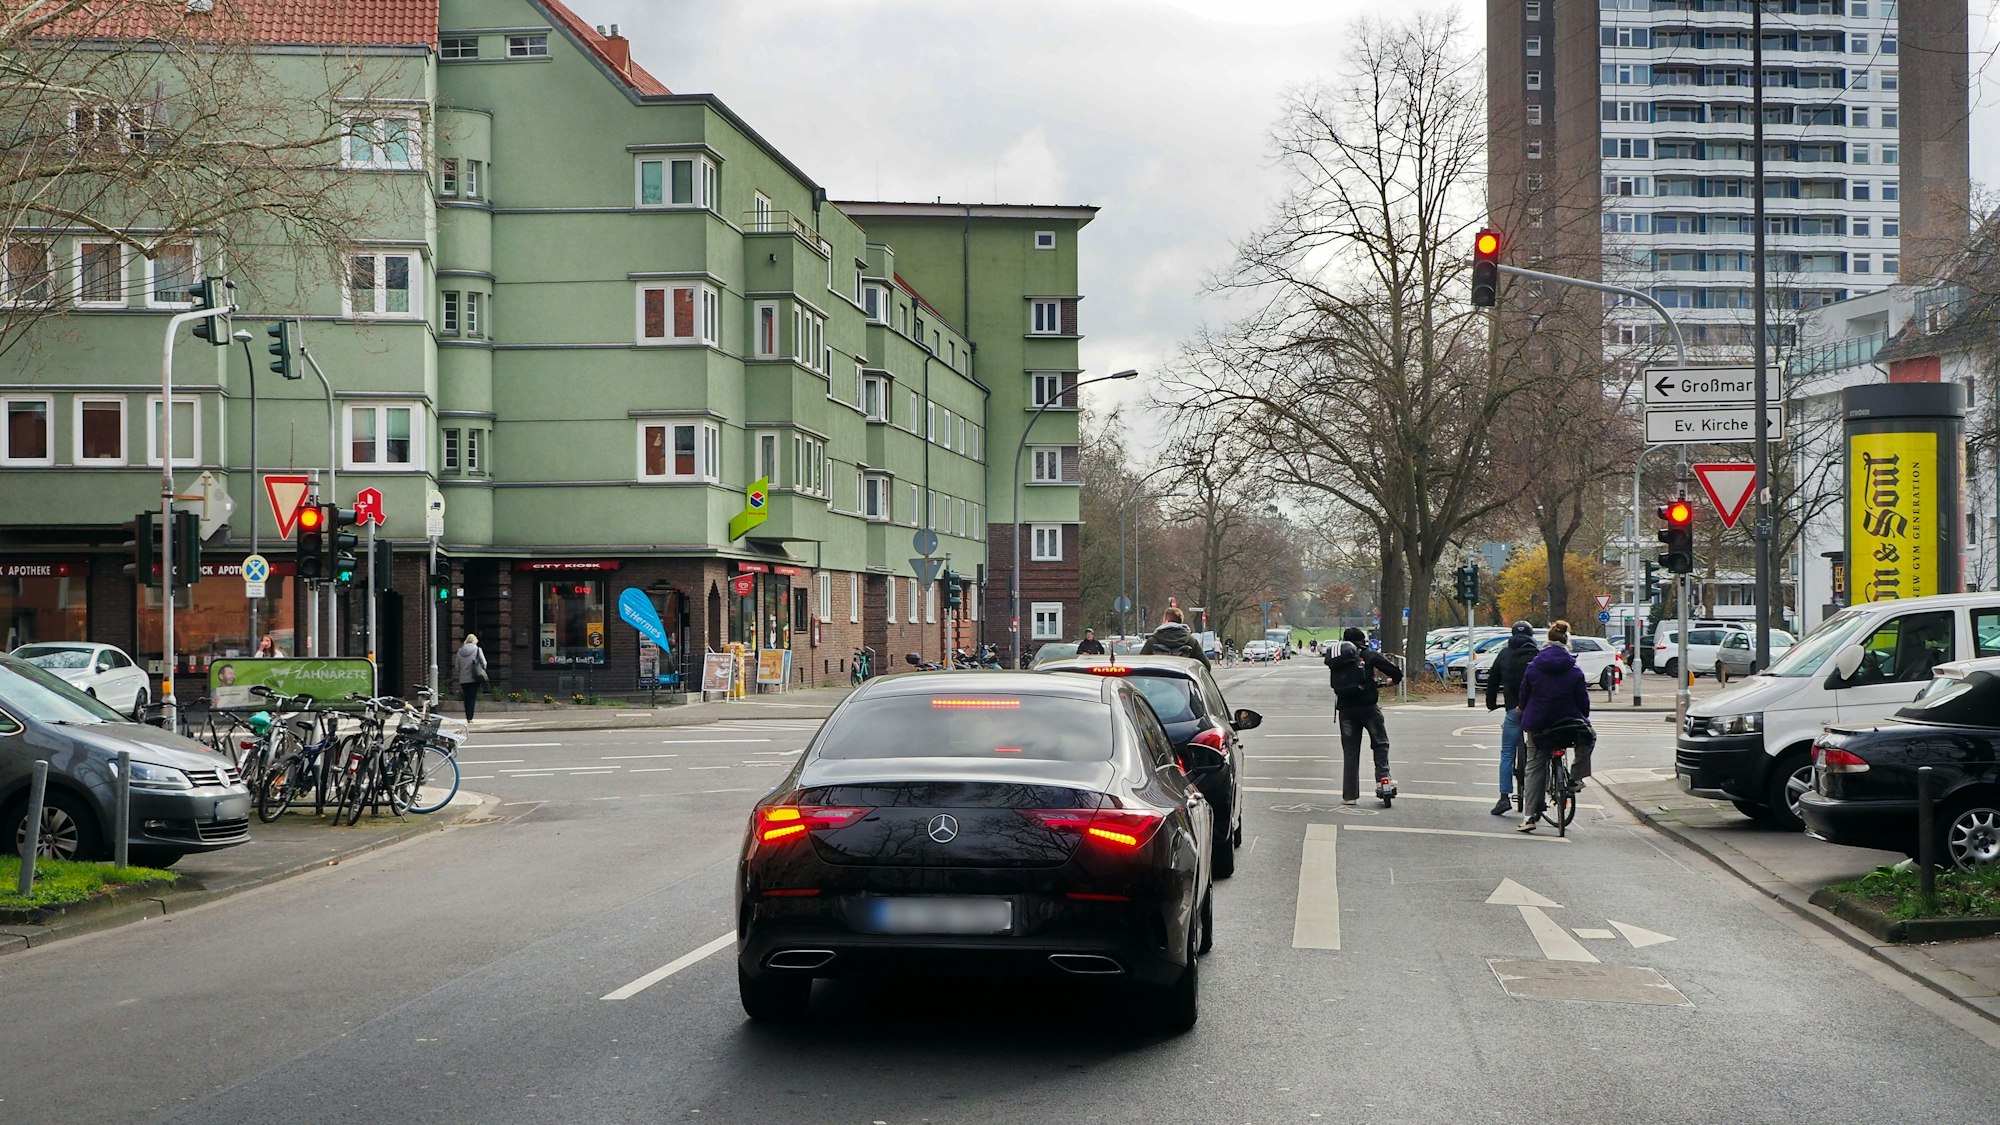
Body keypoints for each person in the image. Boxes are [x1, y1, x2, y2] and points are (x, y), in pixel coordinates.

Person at [1515, 620, 1591, 833]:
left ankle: (1529, 816)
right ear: (1567, 642)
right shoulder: (1574, 670)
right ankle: (1575, 778)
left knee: (1534, 767)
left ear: (1547, 641)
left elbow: (1524, 694)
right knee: (1588, 737)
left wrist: (1522, 708)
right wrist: (1583, 715)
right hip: (1568, 723)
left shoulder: (1534, 667)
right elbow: (1583, 702)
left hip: (1539, 724)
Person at [1324, 626, 1404, 805]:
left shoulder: (1338, 658)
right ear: (1362, 640)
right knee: (1380, 743)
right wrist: (1391, 681)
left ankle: (1349, 795)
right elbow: (1396, 672)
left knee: (1350, 752)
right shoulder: (1368, 655)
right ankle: (1383, 780)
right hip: (1368, 708)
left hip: (1346, 711)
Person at [1484, 621, 1540, 816]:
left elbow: (1492, 681)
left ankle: (1504, 797)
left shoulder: (1504, 654)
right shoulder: (1537, 654)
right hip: (1535, 710)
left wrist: (1491, 703)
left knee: (1507, 752)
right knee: (1539, 753)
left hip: (1513, 710)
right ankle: (1538, 796)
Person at [1140, 608, 1210, 667]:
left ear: (1166, 620)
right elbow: (1206, 665)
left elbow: (1140, 664)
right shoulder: (1191, 641)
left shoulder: (1153, 641)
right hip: (1183, 682)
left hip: (1157, 681)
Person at [455, 633, 489, 720]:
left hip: (463, 679)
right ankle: (470, 717)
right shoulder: (477, 649)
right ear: (475, 641)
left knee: (466, 697)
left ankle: (467, 716)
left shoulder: (460, 651)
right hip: (474, 677)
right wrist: (482, 669)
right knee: (472, 697)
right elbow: (484, 663)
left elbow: (457, 666)